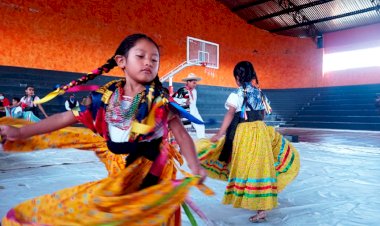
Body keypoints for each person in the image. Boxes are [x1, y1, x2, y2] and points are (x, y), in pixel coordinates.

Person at [0, 33, 208, 225]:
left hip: (151, 172)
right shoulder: (104, 99)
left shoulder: (160, 102)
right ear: (121, 61)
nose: (148, 62)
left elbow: (181, 135)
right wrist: (20, 133)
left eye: (154, 59)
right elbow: (64, 118)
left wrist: (195, 166)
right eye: (141, 56)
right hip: (119, 172)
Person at [195, 61, 300, 223]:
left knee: (247, 167)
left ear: (237, 77)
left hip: (244, 134)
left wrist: (220, 133)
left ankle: (257, 203)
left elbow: (230, 115)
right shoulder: (260, 93)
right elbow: (263, 114)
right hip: (261, 131)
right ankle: (261, 206)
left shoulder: (236, 95)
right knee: (260, 167)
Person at [172, 73, 206, 139]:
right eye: (194, 83)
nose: (195, 85)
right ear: (188, 82)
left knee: (201, 126)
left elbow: (193, 104)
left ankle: (201, 144)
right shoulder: (182, 90)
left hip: (194, 112)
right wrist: (184, 101)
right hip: (186, 113)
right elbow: (173, 99)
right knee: (186, 131)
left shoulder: (194, 91)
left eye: (196, 83)